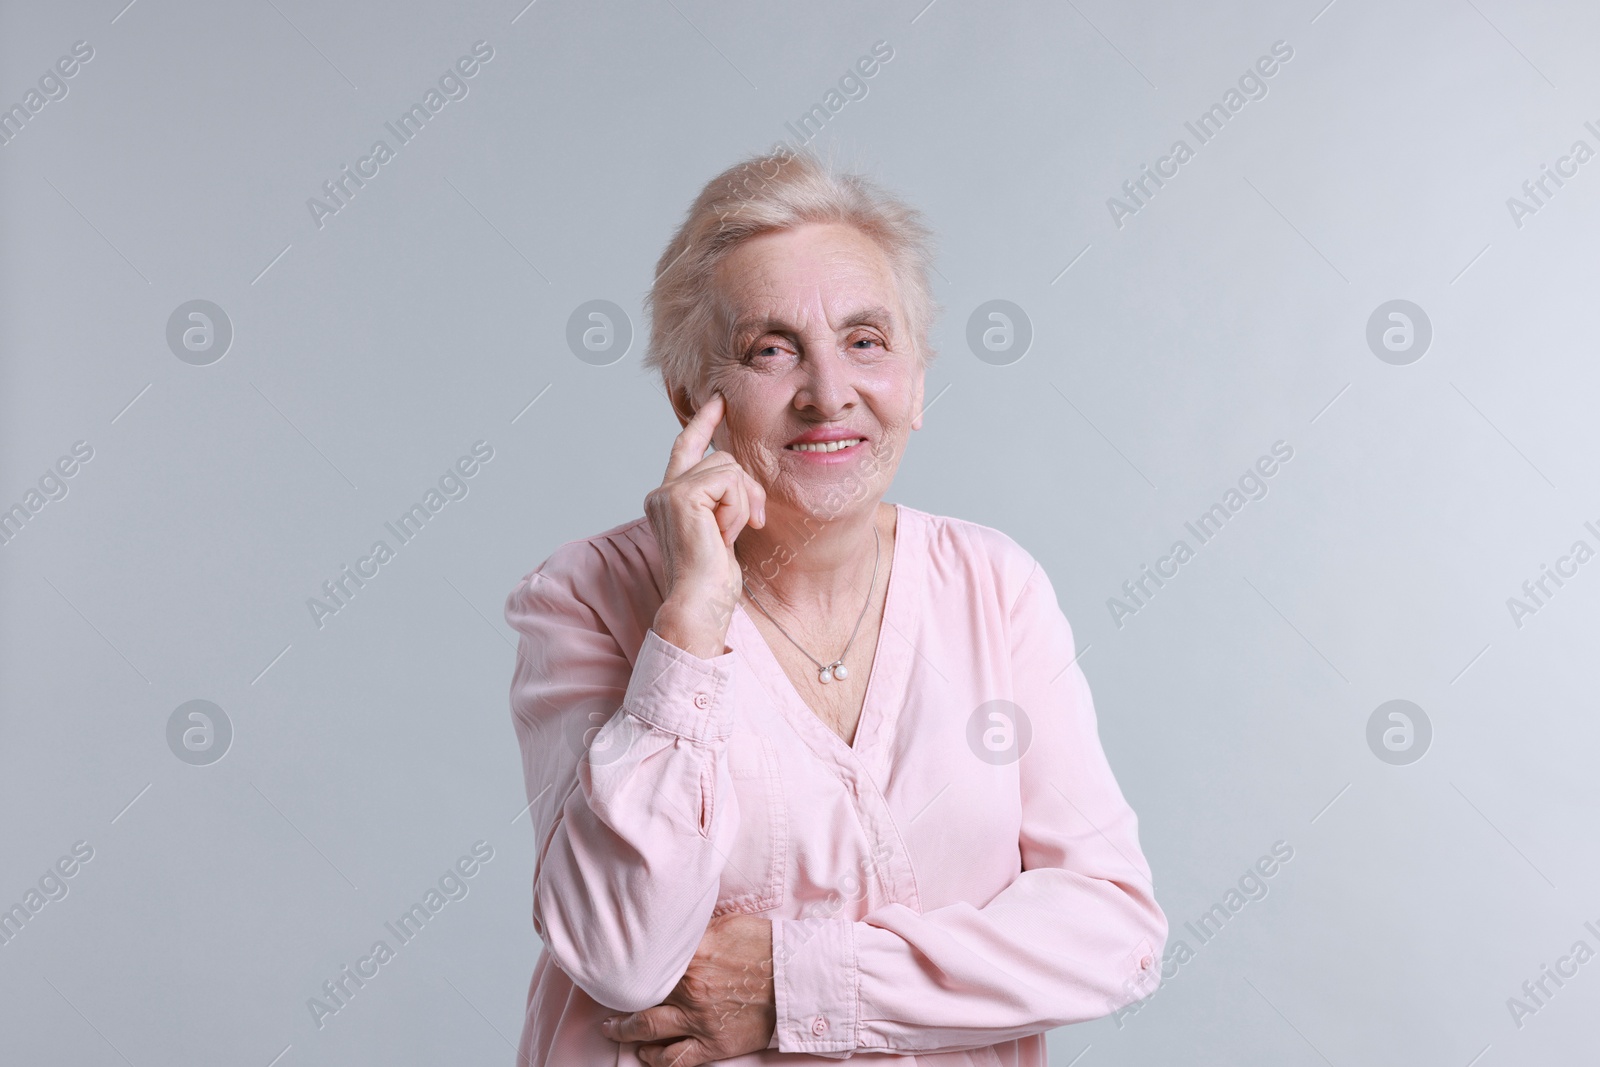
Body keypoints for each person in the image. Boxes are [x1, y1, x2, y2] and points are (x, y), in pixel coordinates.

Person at [504, 147, 1166, 1066]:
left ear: (918, 381)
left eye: (865, 341)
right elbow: (621, 954)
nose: (828, 394)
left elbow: (1113, 930)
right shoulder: (585, 597)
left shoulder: (995, 587)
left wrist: (792, 984)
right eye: (771, 350)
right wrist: (690, 622)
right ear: (693, 397)